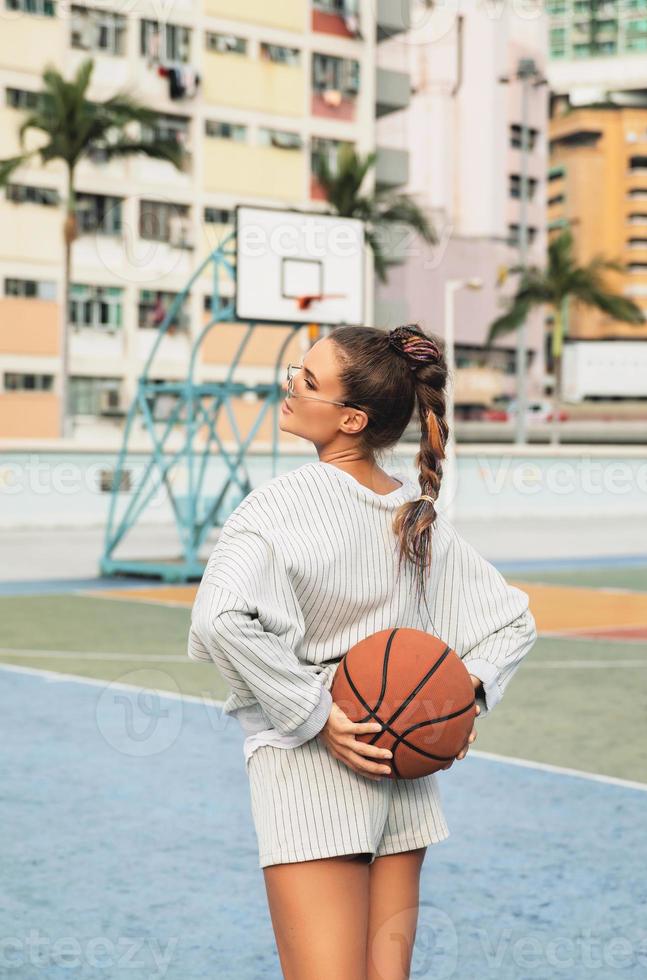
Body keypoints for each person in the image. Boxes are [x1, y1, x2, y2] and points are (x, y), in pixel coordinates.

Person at [188, 323, 538, 979]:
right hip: (404, 776)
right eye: (299, 370)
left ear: (352, 418)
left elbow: (220, 618)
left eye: (308, 381)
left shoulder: (276, 508)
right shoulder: (415, 515)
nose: (290, 384)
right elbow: (511, 622)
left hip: (310, 773)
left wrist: (316, 714)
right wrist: (456, 705)